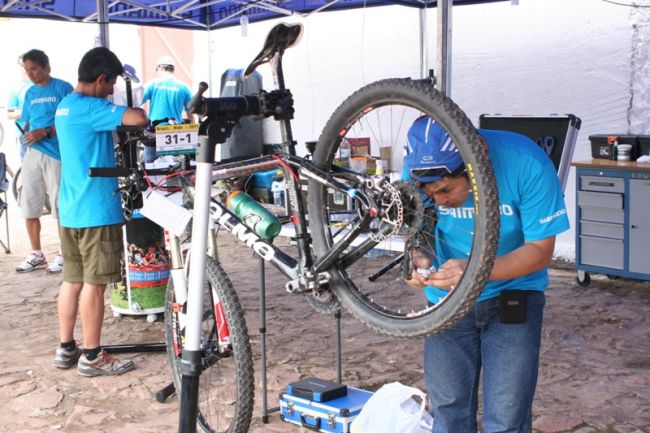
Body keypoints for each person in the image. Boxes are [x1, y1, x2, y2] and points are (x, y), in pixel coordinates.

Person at [402, 116, 570, 433]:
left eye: (446, 189)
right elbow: (419, 229)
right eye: (430, 192)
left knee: (507, 418)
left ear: (475, 156)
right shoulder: (415, 168)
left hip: (513, 293)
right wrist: (417, 261)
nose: (438, 200)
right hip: (447, 301)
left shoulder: (527, 162)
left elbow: (540, 250)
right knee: (448, 412)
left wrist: (475, 270)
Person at [54, 46, 148, 376]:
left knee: (72, 280)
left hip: (70, 208)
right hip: (95, 209)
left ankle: (66, 348)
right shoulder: (91, 107)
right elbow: (138, 118)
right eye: (110, 86)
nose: (111, 92)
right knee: (95, 285)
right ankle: (92, 356)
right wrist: (123, 108)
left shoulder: (64, 106)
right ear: (100, 79)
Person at [15, 49, 73, 274]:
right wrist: (25, 132)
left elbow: (70, 121)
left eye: (34, 69)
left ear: (47, 67)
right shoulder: (29, 93)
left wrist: (46, 131)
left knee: (59, 205)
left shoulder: (63, 88)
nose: (30, 73)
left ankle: (64, 253)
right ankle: (36, 253)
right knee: (29, 204)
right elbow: (25, 120)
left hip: (56, 153)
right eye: (27, 70)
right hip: (32, 153)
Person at [141, 55, 193, 162]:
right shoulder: (184, 88)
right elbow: (191, 114)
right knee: (175, 168)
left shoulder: (152, 84)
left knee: (150, 168)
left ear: (160, 68)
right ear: (173, 69)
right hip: (175, 133)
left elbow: (137, 101)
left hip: (155, 132)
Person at [6, 56, 32, 162]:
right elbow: (9, 114)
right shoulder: (16, 89)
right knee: (25, 167)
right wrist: (23, 113)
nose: (24, 68)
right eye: (22, 65)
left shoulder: (39, 85)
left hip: (41, 135)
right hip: (23, 135)